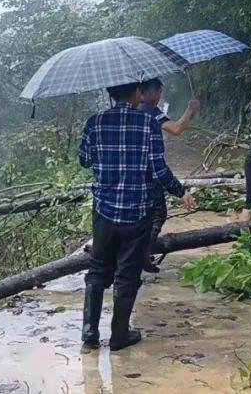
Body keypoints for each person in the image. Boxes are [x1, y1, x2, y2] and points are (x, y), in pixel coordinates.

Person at [78, 81, 196, 351]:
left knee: (98, 269)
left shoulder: (94, 122)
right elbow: (158, 168)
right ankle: (119, 336)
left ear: (110, 94)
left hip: (104, 210)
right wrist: (180, 191)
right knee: (127, 274)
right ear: (136, 93)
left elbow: (84, 160)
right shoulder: (148, 123)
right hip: (137, 210)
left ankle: (89, 332)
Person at [138, 78, 201, 273]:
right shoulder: (150, 112)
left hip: (129, 176)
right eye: (158, 92)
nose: (160, 96)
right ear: (148, 92)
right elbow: (176, 128)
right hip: (148, 175)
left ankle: (131, 254)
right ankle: (141, 255)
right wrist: (190, 110)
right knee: (158, 213)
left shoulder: (133, 110)